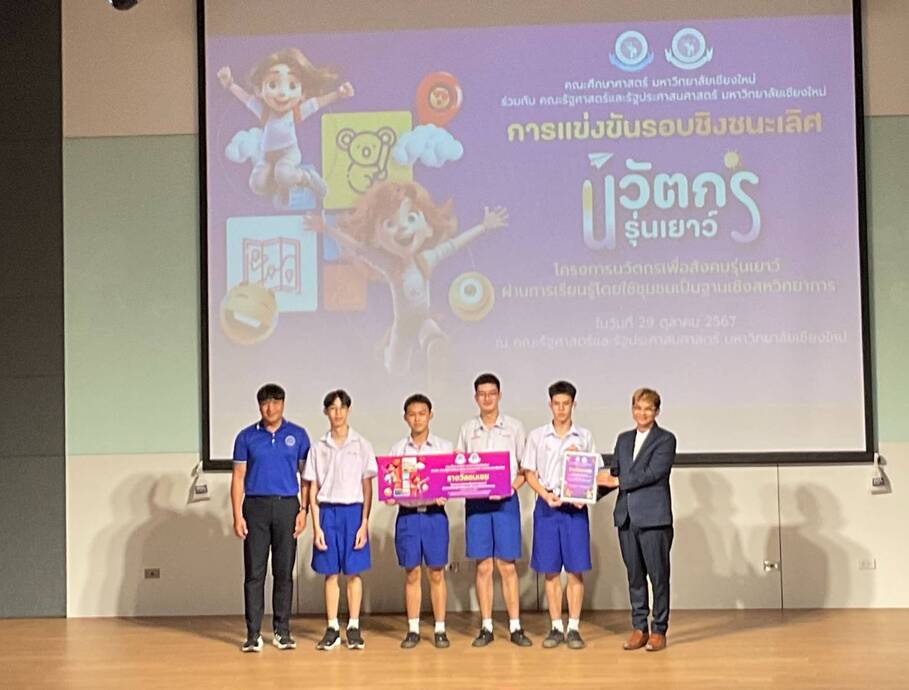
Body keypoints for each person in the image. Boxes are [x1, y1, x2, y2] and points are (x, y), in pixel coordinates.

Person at [522, 380, 603, 650]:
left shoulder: (584, 436)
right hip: (547, 506)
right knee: (550, 570)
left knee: (576, 570)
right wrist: (545, 495)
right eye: (556, 404)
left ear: (573, 404)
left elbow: (595, 473)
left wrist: (584, 496)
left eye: (566, 404)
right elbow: (529, 473)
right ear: (550, 405)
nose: (561, 408)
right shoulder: (537, 436)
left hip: (574, 510)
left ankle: (574, 627)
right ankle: (556, 626)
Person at [230, 383, 310, 653]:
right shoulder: (246, 437)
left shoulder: (298, 435)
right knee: (254, 573)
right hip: (256, 507)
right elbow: (238, 478)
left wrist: (304, 510)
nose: (270, 408)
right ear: (259, 406)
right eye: (265, 403)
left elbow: (306, 478)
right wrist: (237, 515)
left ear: (283, 404)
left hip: (287, 506)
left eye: (275, 402)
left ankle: (282, 631)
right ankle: (253, 634)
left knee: (283, 572)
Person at [455, 373, 532, 647]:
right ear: (475, 398)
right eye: (482, 394)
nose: (487, 398)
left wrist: (510, 488)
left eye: (492, 393)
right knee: (484, 566)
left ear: (499, 395)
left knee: (507, 566)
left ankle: (515, 626)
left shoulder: (514, 427)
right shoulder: (467, 429)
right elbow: (458, 468)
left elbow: (525, 469)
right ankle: (486, 626)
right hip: (476, 505)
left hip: (505, 503)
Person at [601, 387, 676, 652]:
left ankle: (659, 630)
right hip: (626, 518)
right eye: (638, 408)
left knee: (658, 577)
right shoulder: (623, 439)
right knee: (634, 576)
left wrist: (617, 481)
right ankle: (639, 628)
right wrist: (583, 492)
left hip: (654, 518)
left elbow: (652, 473)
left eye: (648, 409)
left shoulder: (665, 440)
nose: (642, 413)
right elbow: (613, 475)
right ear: (632, 410)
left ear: (656, 411)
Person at [303, 389, 377, 651]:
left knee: (354, 572)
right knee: (330, 573)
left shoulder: (362, 444)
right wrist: (316, 526)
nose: (337, 413)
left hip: (353, 512)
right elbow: (312, 488)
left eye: (341, 408)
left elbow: (367, 487)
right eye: (332, 408)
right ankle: (332, 626)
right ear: (326, 412)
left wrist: (364, 522)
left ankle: (353, 626)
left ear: (348, 410)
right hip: (327, 512)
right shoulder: (318, 447)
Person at [386, 393, 453, 649]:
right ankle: (413, 629)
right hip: (408, 517)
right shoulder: (398, 450)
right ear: (405, 418)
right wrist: (389, 495)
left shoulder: (444, 448)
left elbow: (452, 482)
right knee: (412, 572)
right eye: (412, 414)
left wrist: (446, 493)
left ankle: (440, 629)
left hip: (435, 516)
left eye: (422, 413)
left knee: (436, 573)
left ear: (430, 415)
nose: (417, 418)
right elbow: (389, 485)